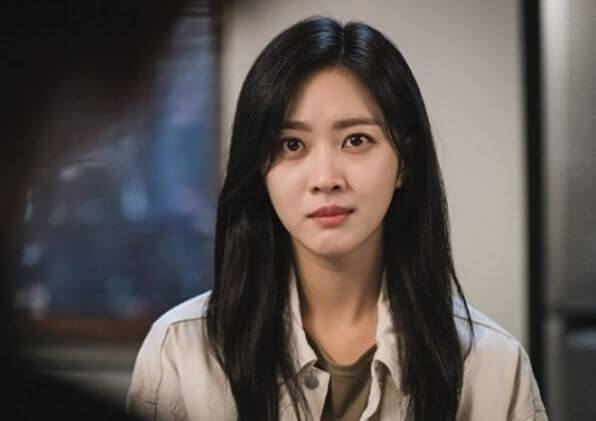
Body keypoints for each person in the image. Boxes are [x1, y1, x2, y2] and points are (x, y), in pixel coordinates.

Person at [126, 16, 548, 421]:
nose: (326, 179)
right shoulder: (181, 353)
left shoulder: (490, 365)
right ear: (259, 169)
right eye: (292, 145)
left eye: (356, 140)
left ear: (404, 162)